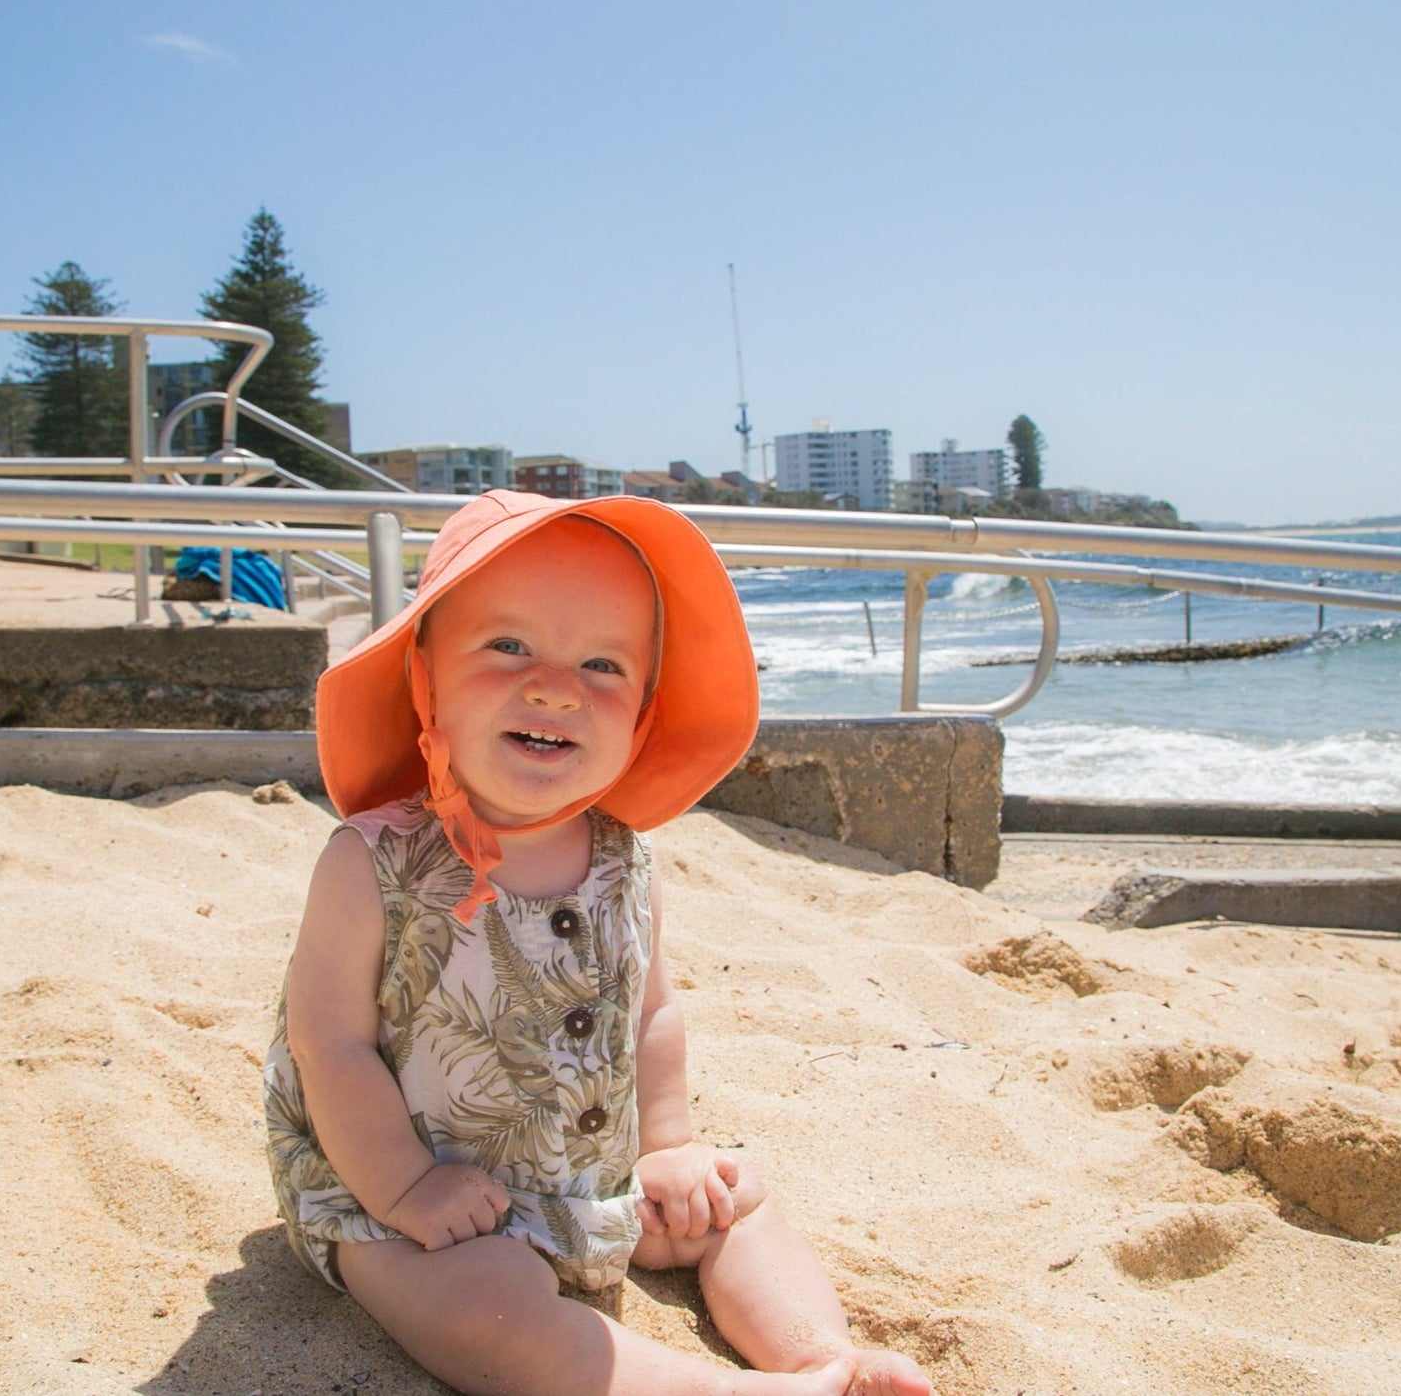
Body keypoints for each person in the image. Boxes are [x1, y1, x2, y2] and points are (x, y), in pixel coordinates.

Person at [263, 489, 934, 1396]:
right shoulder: (372, 862)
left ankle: (822, 1356)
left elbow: (651, 1013)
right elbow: (328, 1045)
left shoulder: (626, 859)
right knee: (488, 1305)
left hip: (586, 1179)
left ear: (643, 713)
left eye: (602, 664)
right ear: (423, 675)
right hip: (403, 1199)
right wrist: (404, 1188)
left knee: (735, 1197)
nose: (553, 685)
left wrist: (667, 1147)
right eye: (506, 646)